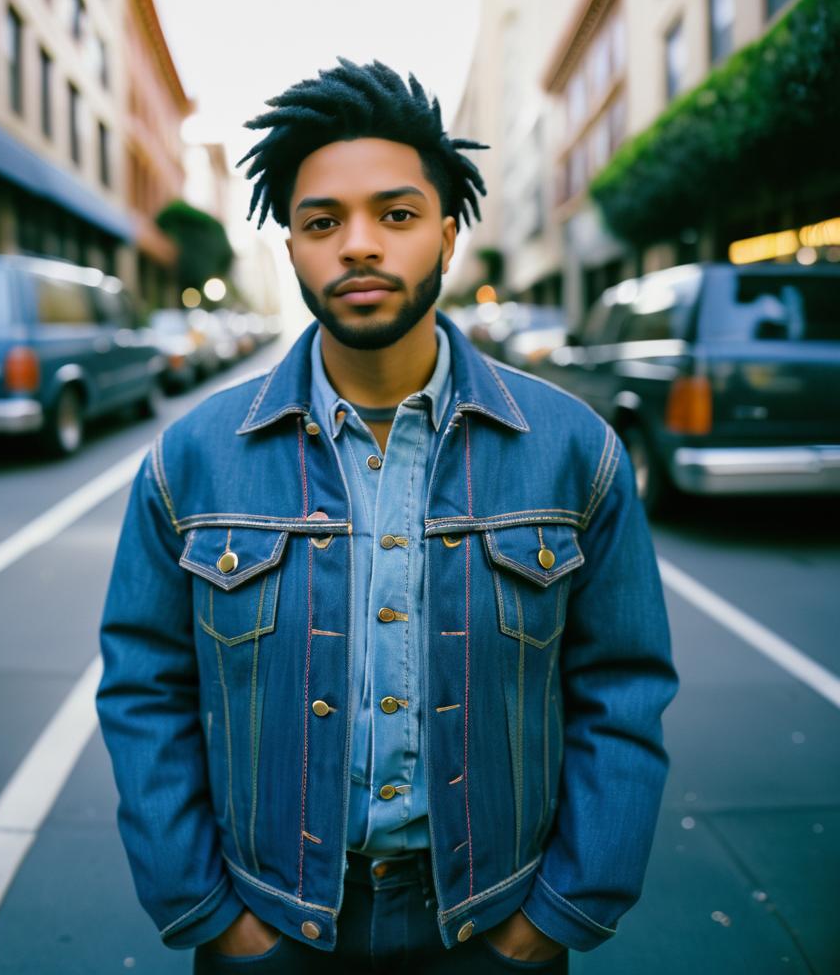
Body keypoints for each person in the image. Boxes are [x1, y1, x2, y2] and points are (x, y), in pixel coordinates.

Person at [96, 59, 677, 974]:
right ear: (289, 244)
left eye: (396, 215)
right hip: (268, 927)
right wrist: (210, 912)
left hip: (493, 926)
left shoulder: (574, 449)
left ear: (448, 233)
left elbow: (623, 689)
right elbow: (145, 689)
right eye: (322, 221)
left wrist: (558, 915)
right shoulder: (191, 459)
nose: (358, 245)